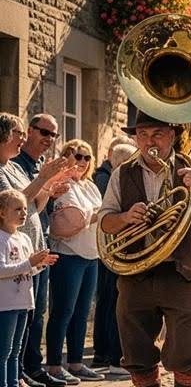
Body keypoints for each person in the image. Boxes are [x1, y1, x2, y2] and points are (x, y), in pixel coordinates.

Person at [97, 111, 191, 387]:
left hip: (182, 271)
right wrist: (126, 218)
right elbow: (105, 223)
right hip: (136, 272)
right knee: (136, 352)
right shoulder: (123, 173)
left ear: (173, 135)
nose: (149, 142)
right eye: (142, 135)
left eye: (157, 134)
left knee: (186, 352)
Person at [0, 113, 73, 387]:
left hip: (32, 249)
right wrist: (42, 178)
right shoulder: (2, 169)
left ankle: (20, 374)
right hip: (14, 254)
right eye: (18, 133)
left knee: (31, 316)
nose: (21, 140)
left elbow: (34, 208)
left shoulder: (15, 168)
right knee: (11, 328)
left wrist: (49, 187)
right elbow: (16, 203)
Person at [45, 140, 105, 382]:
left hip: (91, 254)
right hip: (68, 254)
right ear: (66, 156)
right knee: (62, 311)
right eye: (78, 156)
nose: (82, 162)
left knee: (81, 312)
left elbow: (91, 215)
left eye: (87, 157)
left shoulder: (89, 186)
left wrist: (91, 217)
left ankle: (76, 362)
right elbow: (69, 222)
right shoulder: (61, 184)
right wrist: (93, 216)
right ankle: (53, 365)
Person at [0, 190, 57, 387]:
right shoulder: (0, 238)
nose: (24, 213)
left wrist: (38, 265)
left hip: (23, 302)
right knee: (3, 351)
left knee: (16, 350)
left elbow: (24, 270)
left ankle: (14, 382)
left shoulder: (24, 238)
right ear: (2, 213)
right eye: (17, 209)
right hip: (5, 304)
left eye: (25, 208)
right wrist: (29, 263)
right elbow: (1, 270)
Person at [91, 142, 135, 377]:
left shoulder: (108, 176)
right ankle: (110, 355)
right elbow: (109, 214)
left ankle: (104, 353)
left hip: (113, 248)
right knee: (112, 302)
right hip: (111, 248)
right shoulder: (107, 178)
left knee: (110, 301)